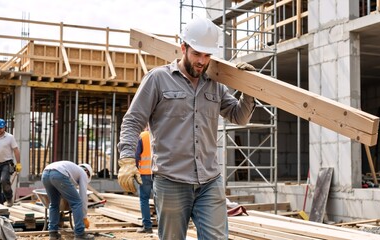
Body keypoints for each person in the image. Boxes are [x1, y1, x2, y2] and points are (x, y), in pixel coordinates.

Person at [117, 17, 256, 239]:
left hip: (209, 181)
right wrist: (126, 160)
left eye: (207, 55)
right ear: (184, 47)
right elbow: (133, 120)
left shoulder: (215, 85)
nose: (202, 61)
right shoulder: (158, 79)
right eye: (197, 54)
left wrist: (249, 88)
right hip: (171, 182)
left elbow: (239, 116)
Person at [41, 161, 94, 240]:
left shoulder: (73, 169)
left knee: (54, 204)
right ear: (87, 172)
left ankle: (53, 233)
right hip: (58, 174)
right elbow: (83, 197)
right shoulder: (83, 173)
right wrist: (84, 217)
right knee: (77, 203)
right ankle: (80, 234)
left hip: (45, 174)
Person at [0, 118, 21, 207]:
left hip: (6, 163)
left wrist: (18, 163)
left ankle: (9, 198)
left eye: (1, 128)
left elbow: (16, 150)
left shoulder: (10, 137)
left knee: (4, 180)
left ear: (5, 128)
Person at [135, 129, 154, 234]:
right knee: (160, 201)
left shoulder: (142, 136)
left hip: (145, 173)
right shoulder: (160, 133)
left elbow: (137, 155)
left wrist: (135, 171)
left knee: (144, 200)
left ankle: (147, 226)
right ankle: (163, 227)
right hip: (158, 173)